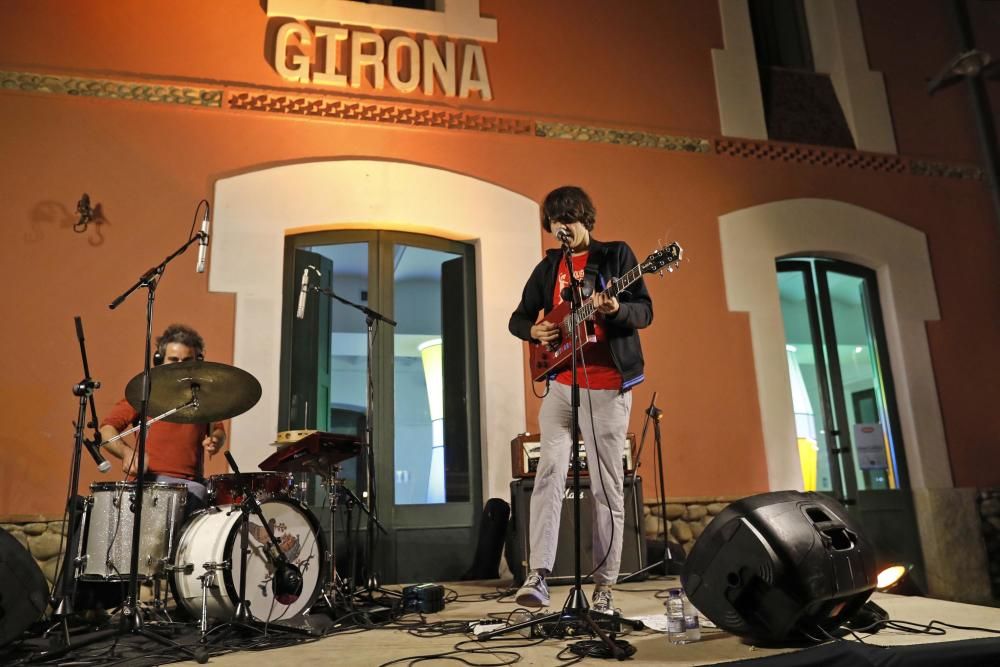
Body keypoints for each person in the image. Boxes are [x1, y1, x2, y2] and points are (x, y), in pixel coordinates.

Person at [508, 186, 653, 614]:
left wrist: (614, 310)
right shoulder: (548, 266)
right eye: (555, 221)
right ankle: (538, 574)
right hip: (560, 386)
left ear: (585, 219)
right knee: (549, 473)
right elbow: (518, 317)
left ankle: (604, 585)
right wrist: (534, 332)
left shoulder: (617, 256)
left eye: (568, 218)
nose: (562, 227)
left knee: (608, 486)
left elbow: (644, 311)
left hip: (607, 385)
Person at [99, 324, 226, 515]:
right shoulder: (145, 393)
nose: (179, 365)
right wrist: (126, 452)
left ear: (198, 361)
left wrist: (215, 440)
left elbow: (218, 430)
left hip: (193, 484)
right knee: (197, 492)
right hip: (152, 483)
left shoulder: (201, 396)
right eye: (173, 359)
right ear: (159, 360)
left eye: (187, 360)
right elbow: (106, 430)